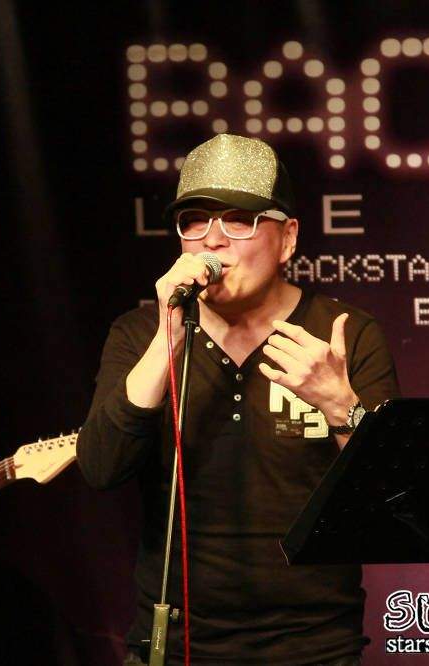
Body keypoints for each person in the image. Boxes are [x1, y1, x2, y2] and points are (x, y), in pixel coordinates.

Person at [77, 134, 400, 665]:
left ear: (287, 237)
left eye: (239, 220)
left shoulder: (344, 335)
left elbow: (391, 504)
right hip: (176, 645)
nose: (213, 240)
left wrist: (342, 407)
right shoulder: (140, 335)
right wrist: (166, 340)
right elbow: (100, 467)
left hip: (313, 647)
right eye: (195, 221)